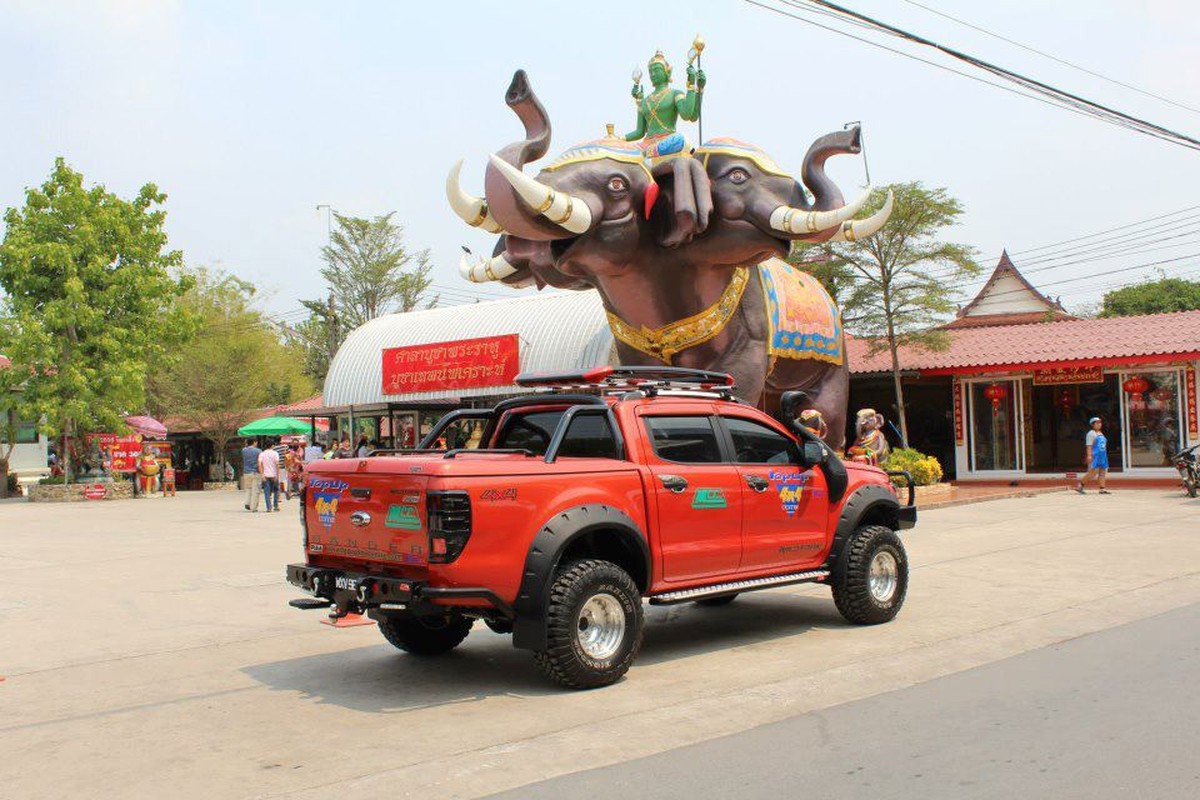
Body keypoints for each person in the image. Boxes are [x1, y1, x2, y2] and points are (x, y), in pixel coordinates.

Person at [1077, 416, 1111, 494]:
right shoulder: (1091, 434)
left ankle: (1102, 489)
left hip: (1102, 456)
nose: (1099, 424)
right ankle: (1080, 485)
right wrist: (1089, 456)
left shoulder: (1101, 433)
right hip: (1095, 456)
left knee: (1103, 472)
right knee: (1093, 472)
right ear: (1092, 425)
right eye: (1097, 423)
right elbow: (1089, 446)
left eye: (1100, 423)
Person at [258, 443, 281, 511]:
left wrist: (262, 475)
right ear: (272, 446)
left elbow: (259, 465)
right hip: (274, 475)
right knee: (276, 490)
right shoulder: (275, 453)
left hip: (265, 475)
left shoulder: (262, 454)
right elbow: (277, 464)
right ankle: (276, 505)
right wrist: (277, 475)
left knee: (267, 492)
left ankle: (269, 507)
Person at [242, 438, 263, 512]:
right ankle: (253, 507)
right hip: (255, 472)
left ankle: (247, 502)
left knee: (248, 489)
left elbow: (245, 446)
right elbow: (260, 462)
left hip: (246, 472)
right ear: (254, 442)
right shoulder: (259, 451)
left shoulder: (244, 450)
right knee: (255, 490)